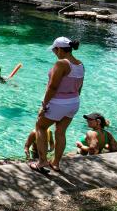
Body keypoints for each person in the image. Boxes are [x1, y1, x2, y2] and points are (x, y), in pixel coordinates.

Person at [29, 36, 83, 174]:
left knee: (40, 126)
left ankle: (42, 162)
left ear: (59, 49)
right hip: (74, 102)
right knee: (61, 132)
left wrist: (44, 105)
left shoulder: (61, 64)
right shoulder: (80, 64)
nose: (54, 53)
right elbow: (79, 88)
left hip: (58, 103)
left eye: (54, 50)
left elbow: (52, 87)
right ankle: (56, 163)